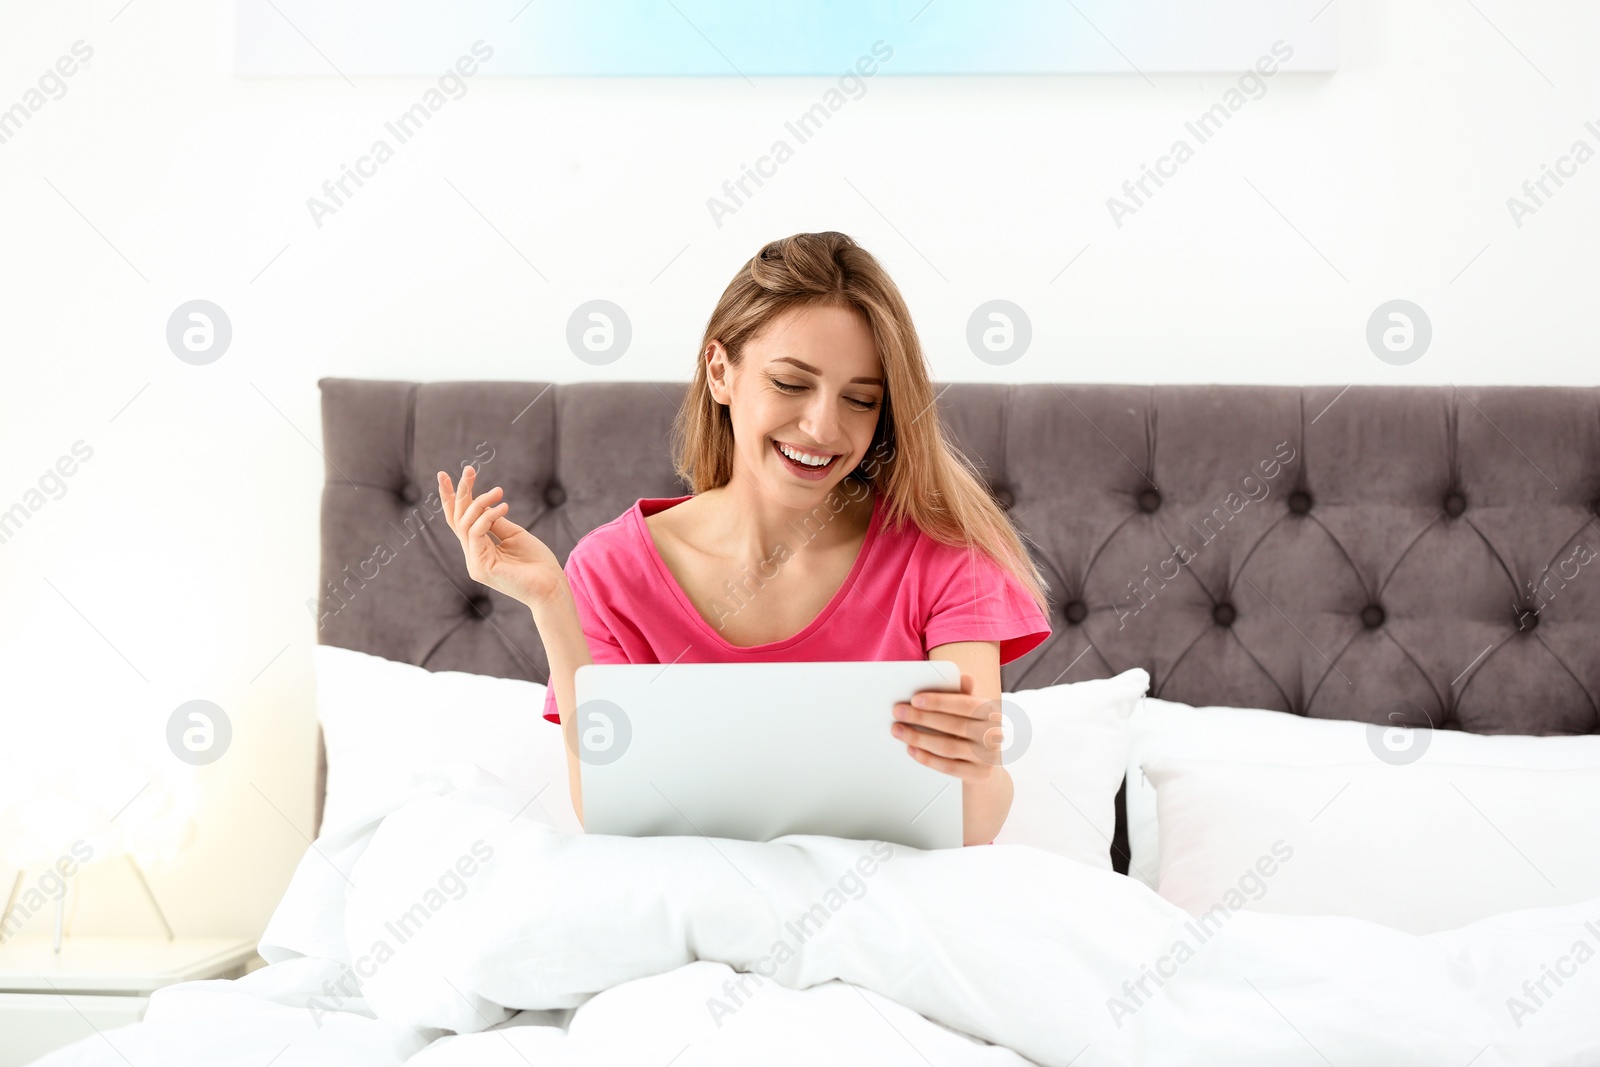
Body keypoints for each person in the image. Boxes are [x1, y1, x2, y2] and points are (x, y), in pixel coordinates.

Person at [437, 231, 1052, 845]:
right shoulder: (612, 569)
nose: (822, 427)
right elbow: (606, 811)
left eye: (861, 400)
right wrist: (552, 603)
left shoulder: (946, 559)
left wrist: (975, 768)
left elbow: (973, 829)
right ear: (720, 371)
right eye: (790, 384)